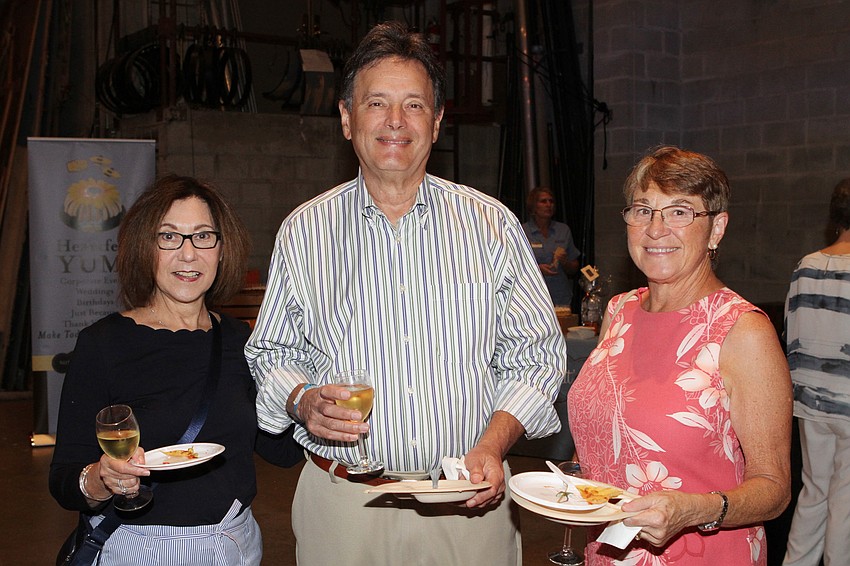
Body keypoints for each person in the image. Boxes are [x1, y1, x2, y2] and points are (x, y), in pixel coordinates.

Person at [245, 21, 566, 566]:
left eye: (414, 105)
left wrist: (491, 446)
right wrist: (302, 401)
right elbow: (271, 350)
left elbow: (538, 356)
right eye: (377, 103)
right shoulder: (304, 230)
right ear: (347, 118)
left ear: (436, 121)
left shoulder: (491, 226)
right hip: (346, 504)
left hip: (465, 503)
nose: (395, 121)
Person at [49, 175, 302, 565]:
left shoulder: (240, 340)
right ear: (144, 248)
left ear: (222, 248)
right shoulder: (103, 344)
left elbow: (278, 449)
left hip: (235, 544)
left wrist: (312, 401)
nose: (188, 254)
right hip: (139, 549)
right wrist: (102, 478)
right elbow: (65, 478)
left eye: (203, 236)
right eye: (169, 237)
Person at [567, 146, 792, 565]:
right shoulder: (619, 311)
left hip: (700, 553)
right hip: (609, 551)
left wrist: (695, 510)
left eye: (680, 212)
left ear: (717, 228)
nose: (656, 229)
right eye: (643, 210)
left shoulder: (741, 331)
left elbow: (774, 488)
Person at [782, 179, 850, 566]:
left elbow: (791, 331)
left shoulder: (805, 266)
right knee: (845, 503)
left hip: (810, 400)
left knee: (813, 493)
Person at [522, 186, 581, 306]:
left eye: (551, 201)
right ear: (533, 206)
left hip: (560, 296)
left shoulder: (563, 230)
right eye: (543, 201)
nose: (549, 204)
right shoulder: (523, 231)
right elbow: (515, 266)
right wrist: (537, 269)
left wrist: (565, 262)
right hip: (533, 297)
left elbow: (574, 267)